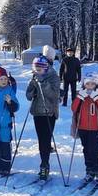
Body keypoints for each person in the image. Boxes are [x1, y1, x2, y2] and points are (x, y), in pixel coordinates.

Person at [26, 49, 60, 180]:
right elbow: (29, 96)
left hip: (49, 112)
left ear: (46, 67)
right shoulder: (35, 77)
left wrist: (42, 83)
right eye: (36, 68)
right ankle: (43, 163)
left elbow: (54, 95)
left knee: (46, 139)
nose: (37, 71)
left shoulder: (53, 77)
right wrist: (33, 88)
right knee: (41, 140)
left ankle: (44, 165)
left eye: (40, 69)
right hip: (37, 113)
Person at [71, 72, 98, 183]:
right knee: (86, 150)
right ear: (84, 84)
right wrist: (79, 97)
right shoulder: (81, 95)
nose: (90, 86)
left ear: (96, 84)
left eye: (92, 84)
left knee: (94, 150)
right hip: (82, 127)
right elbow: (73, 108)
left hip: (96, 128)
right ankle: (90, 171)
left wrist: (96, 98)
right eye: (87, 84)